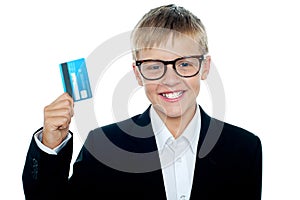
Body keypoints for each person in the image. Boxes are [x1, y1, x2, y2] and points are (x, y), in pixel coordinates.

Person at [22, 4, 262, 200]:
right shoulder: (104, 146)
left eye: (185, 64)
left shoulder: (244, 149)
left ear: (205, 67)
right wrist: (50, 145)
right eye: (155, 66)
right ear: (138, 74)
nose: (170, 80)